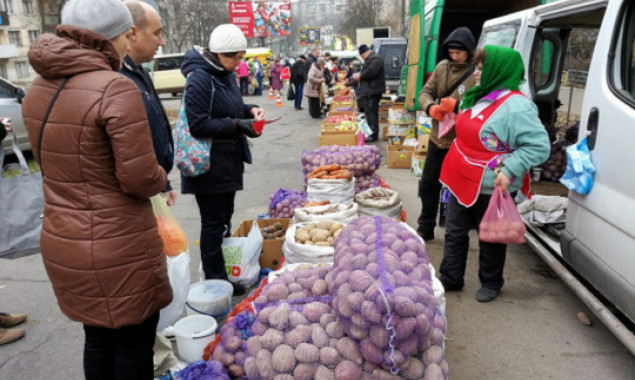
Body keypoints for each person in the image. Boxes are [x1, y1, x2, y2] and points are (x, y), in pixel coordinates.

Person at [22, 0, 172, 378]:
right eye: (125, 36)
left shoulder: (37, 87)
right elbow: (138, 178)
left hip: (64, 238)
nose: (127, 44)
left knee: (99, 337)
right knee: (135, 343)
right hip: (116, 244)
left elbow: (52, 161)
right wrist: (161, 175)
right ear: (111, 37)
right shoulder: (114, 87)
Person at [438, 45, 550, 303]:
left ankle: (491, 282)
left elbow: (538, 146)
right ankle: (451, 277)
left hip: (492, 185)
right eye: (477, 67)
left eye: (481, 68)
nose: (476, 73)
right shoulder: (478, 95)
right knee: (454, 232)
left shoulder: (517, 107)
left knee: (491, 236)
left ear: (498, 71)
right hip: (460, 176)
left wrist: (511, 169)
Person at [179, 24, 265, 296]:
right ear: (220, 54)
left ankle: (223, 275)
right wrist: (237, 124)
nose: (240, 63)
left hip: (228, 161)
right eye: (237, 58)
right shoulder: (200, 78)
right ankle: (216, 281)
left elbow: (234, 107)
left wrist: (250, 110)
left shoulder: (223, 75)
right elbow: (198, 124)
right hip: (208, 165)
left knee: (225, 219)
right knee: (213, 224)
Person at [416, 26, 477, 241]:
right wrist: (431, 107)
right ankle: (425, 226)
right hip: (437, 139)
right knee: (428, 184)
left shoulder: (478, 73)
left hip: (462, 143)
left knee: (459, 189)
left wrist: (458, 108)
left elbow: (482, 107)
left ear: (469, 51)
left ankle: (457, 232)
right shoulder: (442, 67)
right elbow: (426, 92)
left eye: (459, 53)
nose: (454, 57)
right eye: (451, 52)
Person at [122, 0, 176, 206]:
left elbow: (151, 131)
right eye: (156, 33)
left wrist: (164, 183)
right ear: (133, 33)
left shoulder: (139, 72)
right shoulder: (117, 79)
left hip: (152, 185)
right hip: (135, 198)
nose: (161, 42)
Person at [352, 44, 385, 142]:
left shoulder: (375, 59)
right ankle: (370, 132)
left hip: (373, 91)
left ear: (365, 52)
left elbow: (371, 72)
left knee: (372, 113)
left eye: (362, 55)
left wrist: (360, 76)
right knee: (368, 113)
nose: (362, 58)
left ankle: (373, 135)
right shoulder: (370, 59)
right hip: (369, 91)